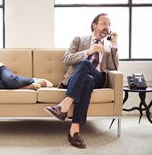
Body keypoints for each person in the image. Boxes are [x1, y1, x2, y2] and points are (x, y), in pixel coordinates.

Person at [45, 13, 118, 148]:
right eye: (103, 24)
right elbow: (67, 59)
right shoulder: (79, 40)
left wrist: (114, 45)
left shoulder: (108, 46)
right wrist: (88, 52)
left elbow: (114, 68)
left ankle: (64, 106)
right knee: (87, 79)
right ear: (94, 25)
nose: (107, 27)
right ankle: (74, 131)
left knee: (87, 68)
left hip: (99, 78)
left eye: (109, 25)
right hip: (80, 78)